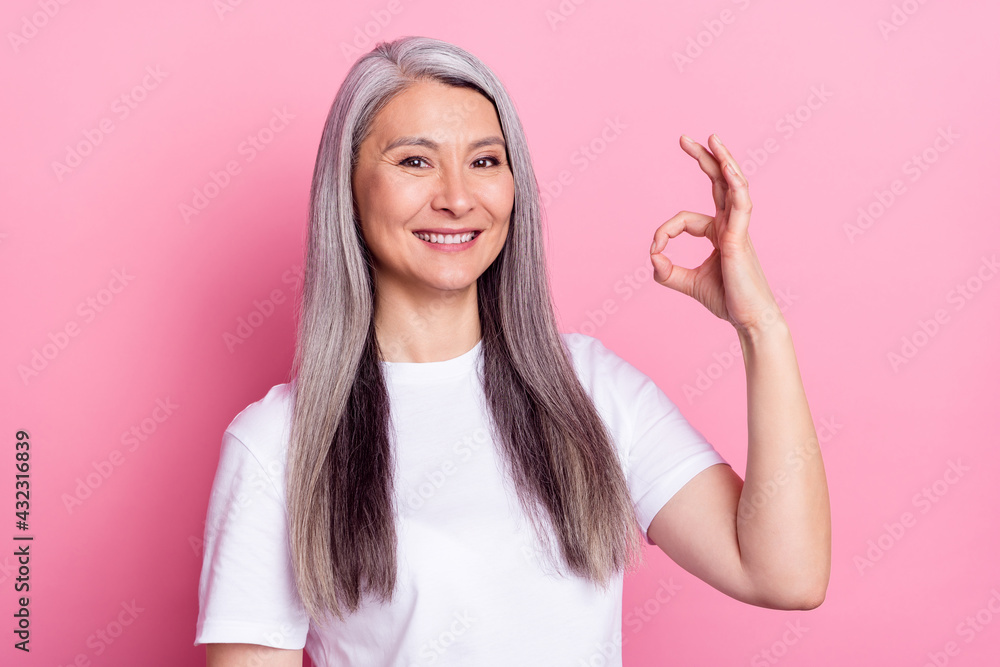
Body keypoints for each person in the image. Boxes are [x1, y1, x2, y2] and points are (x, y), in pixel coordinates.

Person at [194, 35, 831, 666]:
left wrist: (760, 327)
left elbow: (784, 575)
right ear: (349, 193)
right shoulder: (278, 444)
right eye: (415, 161)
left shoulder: (588, 386)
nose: (457, 197)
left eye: (485, 161)